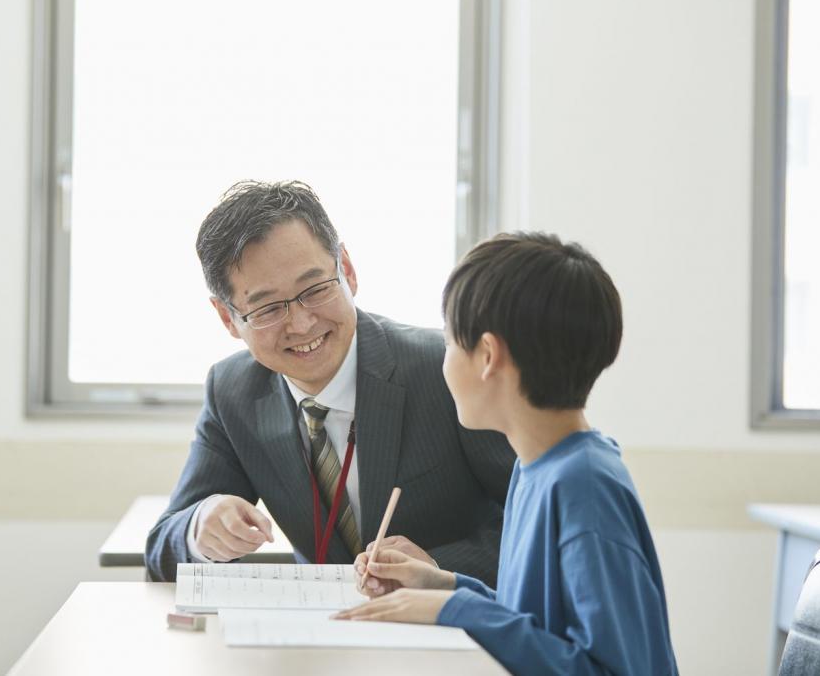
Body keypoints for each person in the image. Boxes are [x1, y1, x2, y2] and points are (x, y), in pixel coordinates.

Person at [337, 232, 679, 675]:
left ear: (487, 356)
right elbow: (537, 624)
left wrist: (453, 609)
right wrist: (443, 585)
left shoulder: (584, 487)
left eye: (449, 344)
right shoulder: (537, 466)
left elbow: (607, 668)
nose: (444, 362)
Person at [145, 181, 515, 584]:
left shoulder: (444, 368)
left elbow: (541, 526)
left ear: (348, 271)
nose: (302, 324)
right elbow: (163, 548)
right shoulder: (233, 391)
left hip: (452, 628)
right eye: (268, 308)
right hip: (321, 635)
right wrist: (201, 528)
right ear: (227, 318)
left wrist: (440, 569)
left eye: (315, 288)